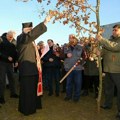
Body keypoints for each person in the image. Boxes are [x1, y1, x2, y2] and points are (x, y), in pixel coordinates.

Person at [17, 15, 51, 115]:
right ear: (25, 29)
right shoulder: (22, 37)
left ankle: (35, 105)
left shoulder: (29, 40)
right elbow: (31, 35)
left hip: (33, 69)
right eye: (30, 29)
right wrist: (44, 23)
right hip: (27, 70)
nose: (32, 31)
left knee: (33, 90)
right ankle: (27, 109)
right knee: (27, 91)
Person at [96, 24, 120, 120]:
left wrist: (101, 39)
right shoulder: (109, 40)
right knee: (108, 89)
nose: (113, 31)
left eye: (116, 30)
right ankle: (108, 104)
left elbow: (115, 47)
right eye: (113, 30)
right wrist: (99, 52)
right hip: (108, 69)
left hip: (118, 70)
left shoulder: (115, 42)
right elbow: (104, 51)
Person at [0, 31, 18, 104]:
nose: (11, 38)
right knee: (2, 80)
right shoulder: (1, 41)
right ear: (7, 35)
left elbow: (15, 53)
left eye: (12, 37)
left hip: (10, 64)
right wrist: (7, 57)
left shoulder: (13, 44)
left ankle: (13, 93)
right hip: (2, 63)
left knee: (12, 79)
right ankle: (1, 97)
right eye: (10, 37)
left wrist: (16, 61)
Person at [63, 34, 83, 102]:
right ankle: (68, 96)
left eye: (72, 38)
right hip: (68, 68)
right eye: (69, 38)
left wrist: (80, 62)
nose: (71, 39)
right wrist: (66, 55)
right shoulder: (65, 46)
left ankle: (76, 97)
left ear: (75, 38)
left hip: (78, 68)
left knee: (78, 83)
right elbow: (60, 55)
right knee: (68, 83)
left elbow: (84, 56)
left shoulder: (80, 46)